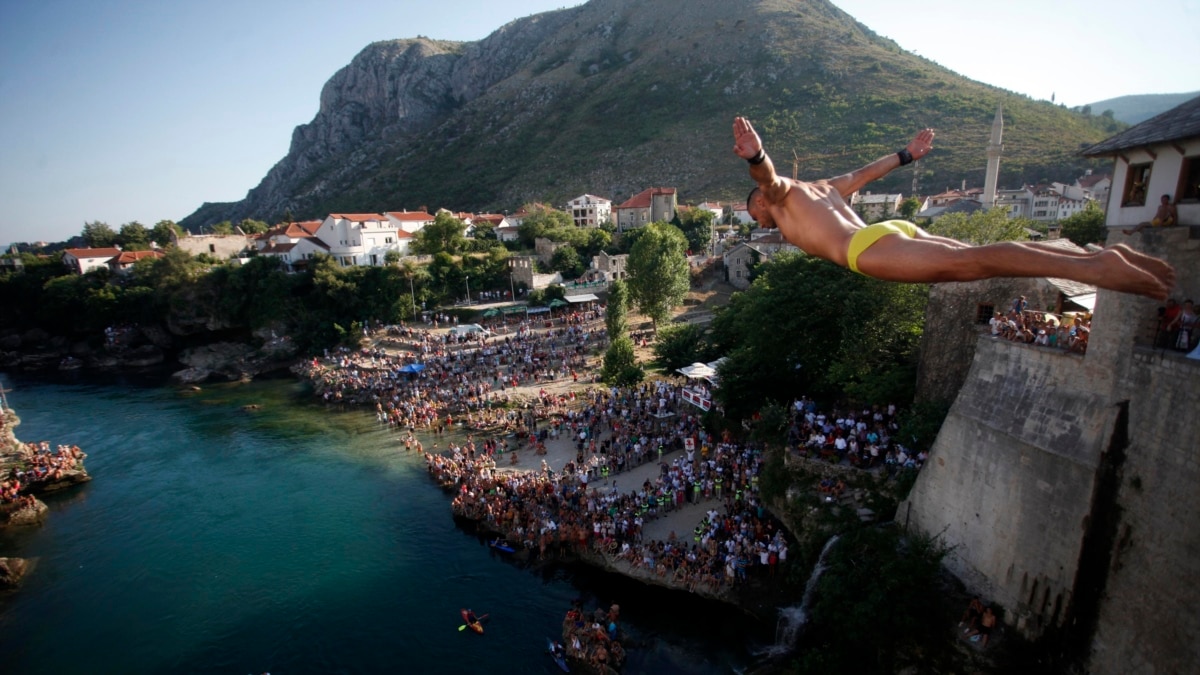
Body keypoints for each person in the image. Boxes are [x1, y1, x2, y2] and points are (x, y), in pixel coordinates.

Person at [733, 117, 1175, 300]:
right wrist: (906, 156)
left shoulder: (779, 198)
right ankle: (1093, 257)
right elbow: (866, 174)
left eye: (756, 215)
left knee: (974, 263)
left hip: (863, 250)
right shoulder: (822, 187)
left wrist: (756, 156)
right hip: (890, 229)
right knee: (974, 254)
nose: (760, 220)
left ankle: (1093, 269)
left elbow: (767, 179)